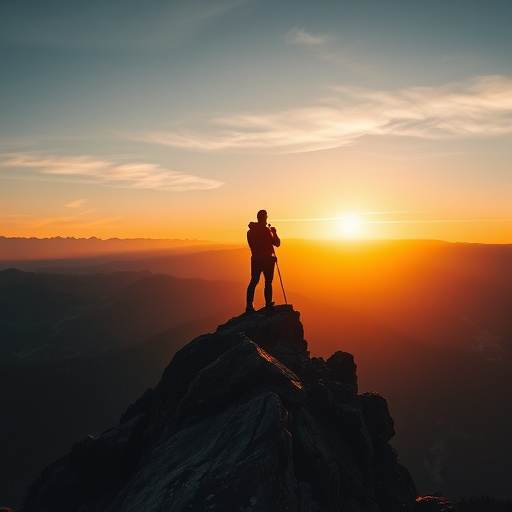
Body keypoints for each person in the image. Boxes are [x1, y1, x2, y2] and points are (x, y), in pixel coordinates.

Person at [245, 210, 280, 314]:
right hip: (268, 260)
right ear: (264, 218)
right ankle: (268, 305)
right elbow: (277, 243)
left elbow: (253, 245)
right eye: (266, 217)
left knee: (254, 281)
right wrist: (274, 232)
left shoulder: (250, 232)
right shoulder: (266, 231)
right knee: (268, 282)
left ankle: (249, 306)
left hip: (255, 259)